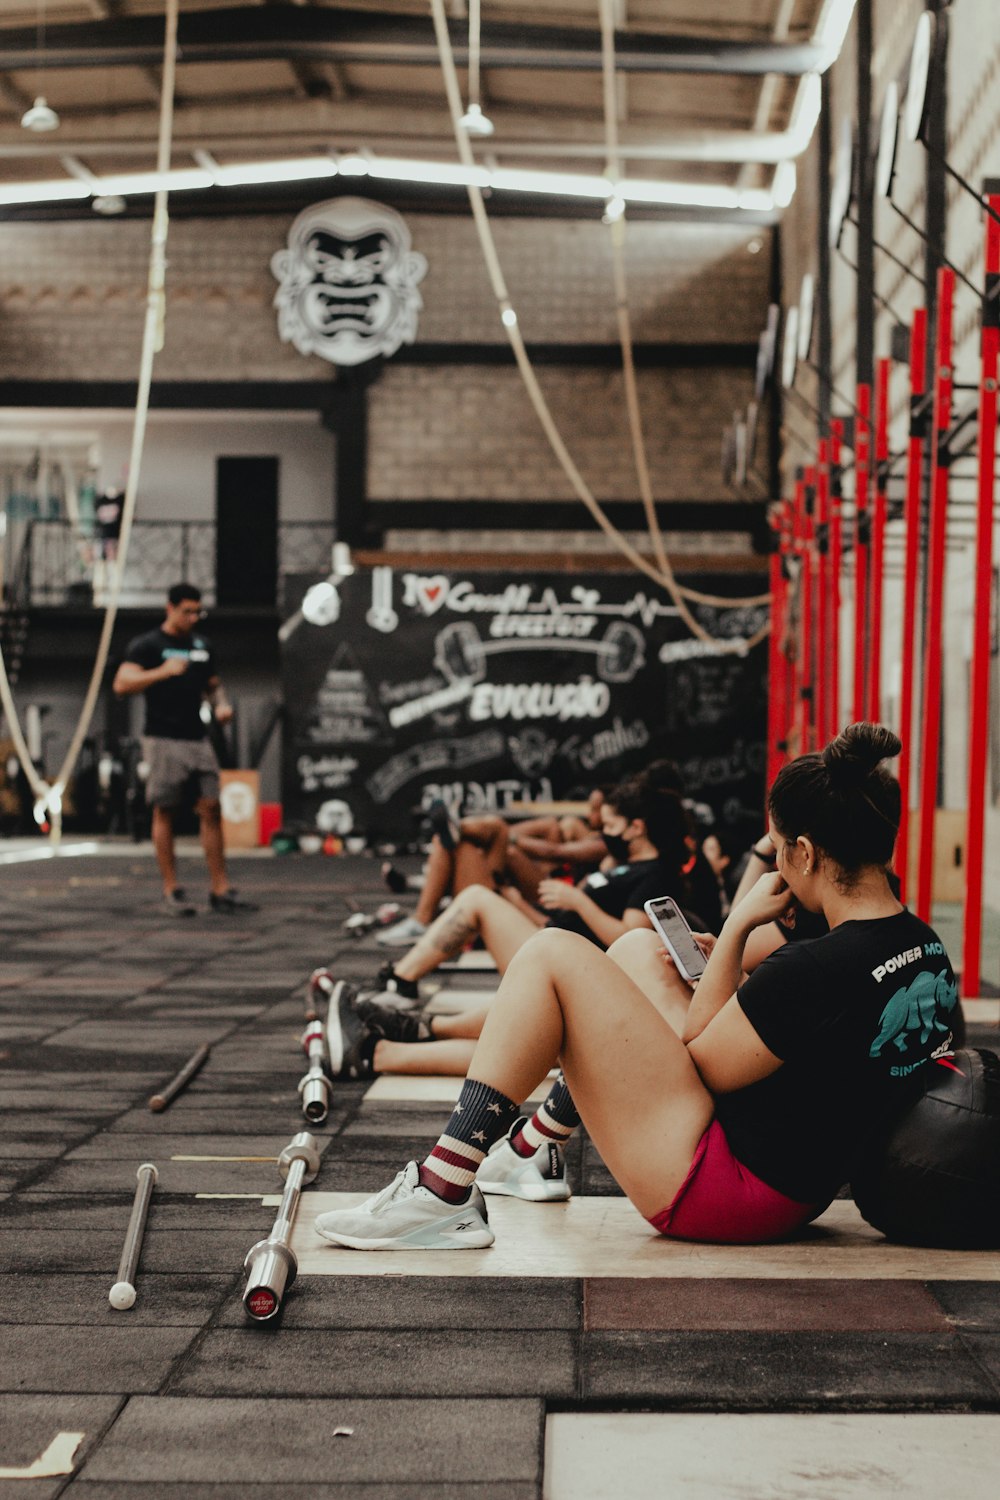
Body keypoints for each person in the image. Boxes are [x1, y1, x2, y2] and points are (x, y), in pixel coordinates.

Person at [312, 723, 961, 1251]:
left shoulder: (812, 968)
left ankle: (443, 1190)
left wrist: (735, 929)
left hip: (722, 1192)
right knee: (636, 950)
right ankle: (530, 1149)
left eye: (773, 849)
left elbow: (701, 1060)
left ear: (805, 853)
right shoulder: (924, 946)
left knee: (549, 956)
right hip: (795, 1182)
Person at [317, 776, 691, 1078]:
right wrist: (521, 906)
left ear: (636, 828)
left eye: (609, 824)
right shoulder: (618, 864)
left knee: (480, 902)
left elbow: (629, 940)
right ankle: (397, 1022)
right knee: (474, 877)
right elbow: (563, 923)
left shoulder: (654, 875)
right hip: (556, 947)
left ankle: (396, 1012)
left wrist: (578, 901)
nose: (602, 830)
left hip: (575, 969)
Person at [112, 582, 257, 916]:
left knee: (211, 808)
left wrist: (221, 707)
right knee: (165, 810)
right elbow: (122, 684)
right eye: (187, 611)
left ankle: (220, 889)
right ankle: (172, 889)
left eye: (197, 612)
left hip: (198, 738)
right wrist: (162, 672)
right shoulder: (147, 645)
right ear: (170, 608)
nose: (193, 617)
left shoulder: (202, 646)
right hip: (163, 739)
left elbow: (213, 688)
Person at [376, 789, 608, 946]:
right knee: (473, 840)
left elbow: (555, 853)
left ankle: (422, 917)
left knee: (467, 839)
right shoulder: (597, 839)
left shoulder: (606, 843)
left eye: (597, 811)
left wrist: (505, 838)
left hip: (537, 904)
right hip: (534, 893)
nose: (590, 815)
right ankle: (459, 832)